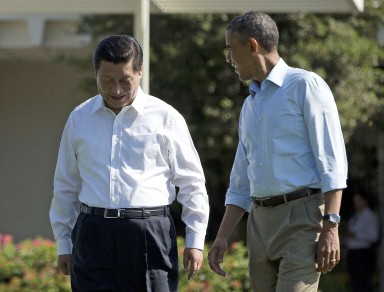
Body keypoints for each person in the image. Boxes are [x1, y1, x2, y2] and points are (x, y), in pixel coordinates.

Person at [49, 35, 209, 292]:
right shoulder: (79, 118)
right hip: (93, 235)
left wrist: (195, 239)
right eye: (107, 81)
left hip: (150, 235)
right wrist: (64, 242)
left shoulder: (166, 117)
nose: (116, 90)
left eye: (125, 81)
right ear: (95, 74)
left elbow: (192, 183)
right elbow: (65, 184)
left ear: (140, 73)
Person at [207, 11, 348, 291]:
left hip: (302, 218)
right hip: (258, 225)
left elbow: (331, 160)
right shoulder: (250, 105)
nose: (229, 60)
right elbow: (241, 180)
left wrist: (331, 225)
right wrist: (222, 235)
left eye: (231, 51)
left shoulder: (305, 85)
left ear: (252, 46)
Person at [345, 192, 379, 292]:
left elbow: (374, 236)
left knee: (363, 283)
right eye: (355, 201)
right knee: (354, 282)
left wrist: (356, 235)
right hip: (353, 253)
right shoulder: (355, 216)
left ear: (365, 201)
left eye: (359, 200)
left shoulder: (370, 216)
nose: (357, 203)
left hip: (363, 254)